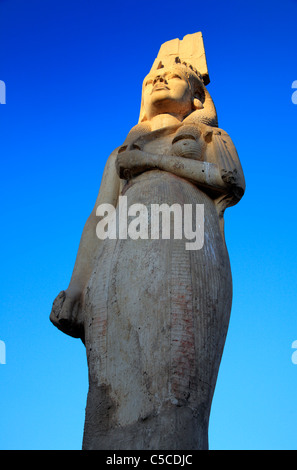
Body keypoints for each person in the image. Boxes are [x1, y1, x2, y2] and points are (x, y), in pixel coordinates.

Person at [50, 60, 245, 450]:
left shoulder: (210, 137)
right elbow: (99, 217)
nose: (158, 78)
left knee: (174, 398)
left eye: (172, 76)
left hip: (186, 247)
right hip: (116, 262)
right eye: (151, 76)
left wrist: (153, 163)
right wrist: (76, 287)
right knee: (109, 399)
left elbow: (230, 180)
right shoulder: (121, 153)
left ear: (195, 97)